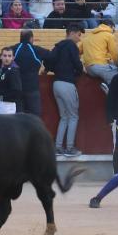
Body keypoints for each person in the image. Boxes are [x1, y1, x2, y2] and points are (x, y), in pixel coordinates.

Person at [44, 23, 85, 156]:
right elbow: (77, 63)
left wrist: (50, 69)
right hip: (67, 84)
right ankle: (69, 148)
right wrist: (79, 71)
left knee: (64, 117)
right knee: (73, 116)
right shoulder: (71, 45)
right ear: (72, 33)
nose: (79, 39)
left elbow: (49, 60)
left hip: (56, 84)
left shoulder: (58, 46)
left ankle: (57, 147)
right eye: (79, 35)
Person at [5, 29, 50, 116]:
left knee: (18, 117)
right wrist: (46, 69)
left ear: (20, 38)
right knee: (35, 116)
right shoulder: (37, 50)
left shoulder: (13, 49)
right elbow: (52, 57)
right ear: (31, 38)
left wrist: (8, 70)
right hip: (32, 88)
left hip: (16, 88)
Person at [79, 19, 118, 87]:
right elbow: (114, 54)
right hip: (99, 66)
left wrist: (81, 65)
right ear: (110, 26)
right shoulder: (109, 35)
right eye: (113, 30)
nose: (113, 32)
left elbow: (76, 51)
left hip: (89, 69)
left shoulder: (87, 37)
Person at [0, 47, 23, 114]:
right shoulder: (4, 69)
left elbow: (17, 92)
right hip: (0, 105)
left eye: (9, 56)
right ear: (1, 57)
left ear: (13, 58)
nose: (7, 58)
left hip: (8, 107)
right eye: (5, 56)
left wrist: (0, 98)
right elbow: (2, 75)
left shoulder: (14, 71)